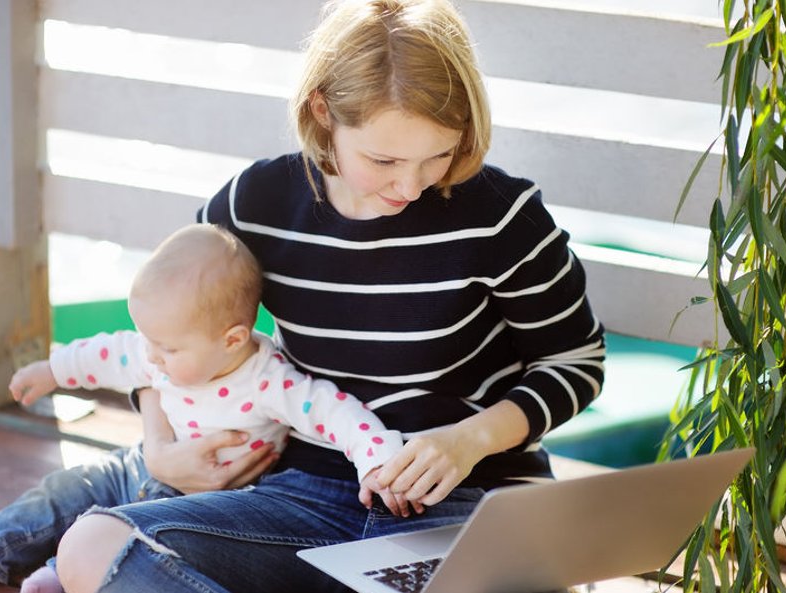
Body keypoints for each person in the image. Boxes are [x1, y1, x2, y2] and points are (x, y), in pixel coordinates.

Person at [54, 0, 607, 591]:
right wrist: (161, 445)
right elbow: (168, 327)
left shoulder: (502, 216)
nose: (411, 185)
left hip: (468, 499)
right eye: (383, 159)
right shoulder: (257, 203)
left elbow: (576, 364)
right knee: (94, 545)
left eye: (439, 155)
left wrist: (468, 441)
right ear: (322, 112)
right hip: (303, 493)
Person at [0, 224, 408, 593]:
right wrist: (53, 370)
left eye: (167, 349)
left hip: (206, 493)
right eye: (149, 342)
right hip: (144, 458)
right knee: (68, 486)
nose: (153, 356)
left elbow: (336, 412)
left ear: (232, 340)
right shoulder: (161, 346)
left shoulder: (268, 381)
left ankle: (63, 571)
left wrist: (376, 457)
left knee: (139, 515)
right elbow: (108, 353)